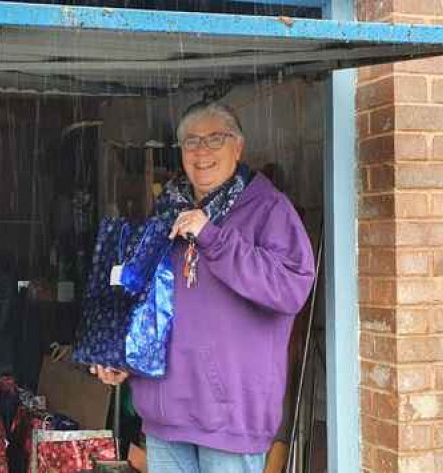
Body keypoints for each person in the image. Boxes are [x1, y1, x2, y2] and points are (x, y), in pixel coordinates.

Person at [92, 102, 316, 473]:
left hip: (229, 418)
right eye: (191, 141)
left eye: (215, 138)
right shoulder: (165, 212)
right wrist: (122, 356)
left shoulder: (269, 209)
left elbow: (290, 288)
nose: (202, 151)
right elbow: (145, 302)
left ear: (238, 147)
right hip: (167, 413)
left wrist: (214, 238)